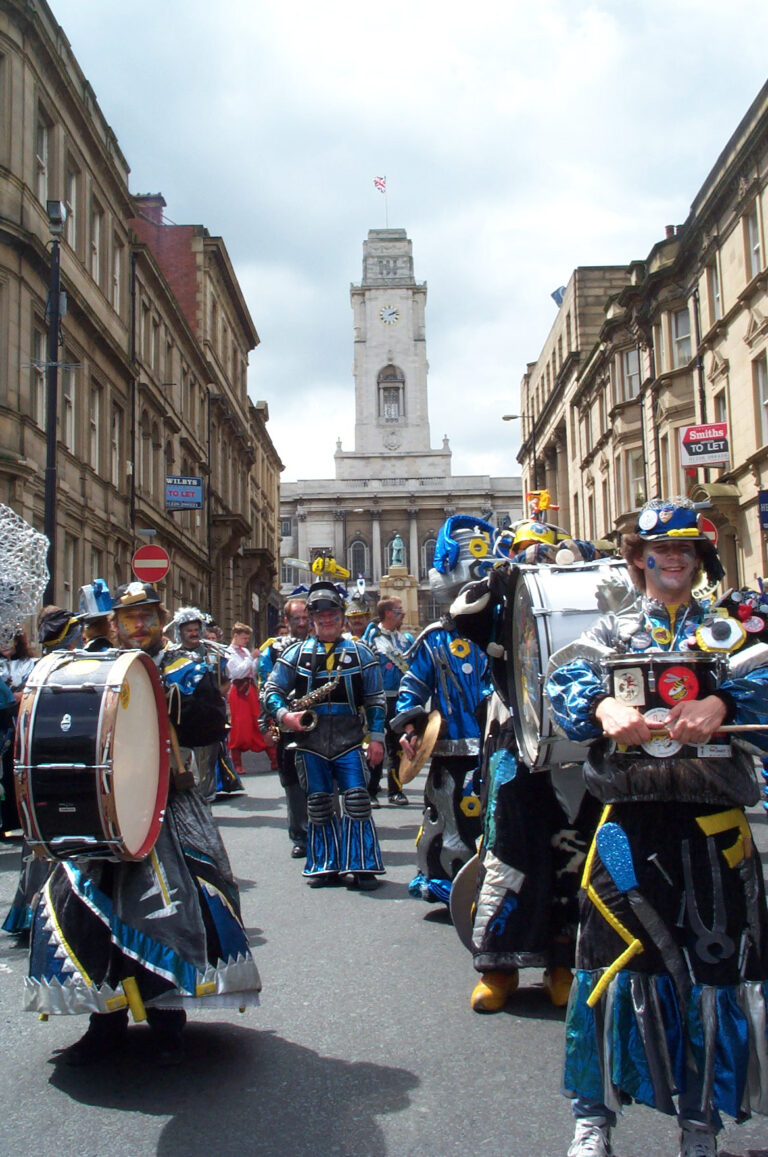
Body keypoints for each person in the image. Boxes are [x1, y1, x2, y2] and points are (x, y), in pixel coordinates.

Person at [545, 498, 768, 1157]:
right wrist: (602, 705)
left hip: (713, 828)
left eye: (684, 549)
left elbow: (763, 681)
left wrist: (720, 700)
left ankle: (700, 1125)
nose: (673, 558)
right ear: (637, 558)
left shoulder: (731, 632)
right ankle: (593, 1119)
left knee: (713, 971)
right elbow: (561, 681)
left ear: (699, 560)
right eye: (659, 549)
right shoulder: (611, 632)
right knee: (603, 963)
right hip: (627, 825)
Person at [26, 580, 261, 1066]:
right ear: (114, 623)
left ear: (161, 619)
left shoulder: (183, 666)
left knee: (173, 905)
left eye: (147, 616)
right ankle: (104, 1020)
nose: (138, 625)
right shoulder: (97, 663)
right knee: (90, 908)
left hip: (166, 803)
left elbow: (208, 726)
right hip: (105, 807)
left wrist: (179, 698)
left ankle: (168, 1020)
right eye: (129, 617)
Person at [451, 523, 607, 1013]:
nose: (534, 556)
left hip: (573, 739)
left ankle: (564, 965)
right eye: (523, 549)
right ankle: (499, 967)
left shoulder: (575, 592)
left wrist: (582, 559)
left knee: (573, 850)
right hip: (515, 735)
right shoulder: (497, 596)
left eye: (541, 550)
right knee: (510, 850)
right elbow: (461, 615)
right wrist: (502, 576)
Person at [391, 517, 493, 904]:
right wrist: (412, 726)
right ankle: (449, 880)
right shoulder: (435, 640)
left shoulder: (509, 633)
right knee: (451, 818)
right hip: (452, 751)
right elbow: (413, 685)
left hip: (503, 748)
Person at [263, 580, 386, 890]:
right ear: (312, 619)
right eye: (320, 617)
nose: (326, 621)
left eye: (332, 616)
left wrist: (376, 738)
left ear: (341, 617)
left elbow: (375, 698)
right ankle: (324, 864)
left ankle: (361, 864)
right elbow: (271, 689)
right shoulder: (295, 653)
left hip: (350, 739)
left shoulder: (361, 652)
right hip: (310, 740)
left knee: (357, 800)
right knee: (317, 803)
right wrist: (284, 715)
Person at [258, 596, 311, 858]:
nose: (302, 623)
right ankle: (300, 835)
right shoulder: (273, 650)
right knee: (291, 781)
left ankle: (325, 832)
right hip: (285, 723)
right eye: (296, 618)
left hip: (318, 723)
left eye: (305, 618)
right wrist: (265, 726)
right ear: (287, 621)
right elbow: (264, 689)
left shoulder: (323, 644)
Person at [168, 606, 228, 803]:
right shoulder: (170, 657)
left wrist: (215, 705)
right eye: (189, 630)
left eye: (196, 629)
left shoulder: (214, 653)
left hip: (209, 724)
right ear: (180, 632)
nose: (193, 633)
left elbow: (225, 682)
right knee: (182, 773)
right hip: (181, 725)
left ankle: (205, 808)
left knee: (205, 774)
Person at [363, 597, 414, 806]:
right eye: (399, 610)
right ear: (388, 613)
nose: (403, 613)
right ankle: (371, 790)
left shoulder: (405, 640)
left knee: (398, 746)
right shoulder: (372, 639)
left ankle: (396, 790)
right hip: (378, 699)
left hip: (400, 700)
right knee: (375, 744)